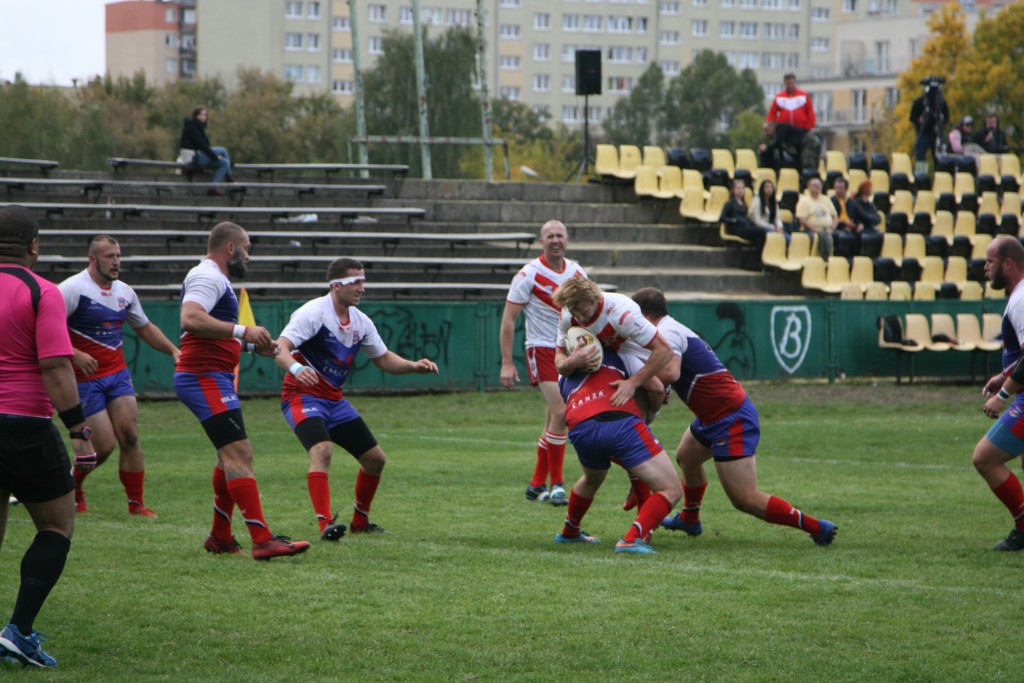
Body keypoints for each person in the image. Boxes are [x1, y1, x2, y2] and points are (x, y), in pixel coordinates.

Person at [625, 287, 837, 547]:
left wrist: (634, 380)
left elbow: (670, 373)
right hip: (712, 415)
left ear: (646, 314)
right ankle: (691, 519)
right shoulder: (669, 329)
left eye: (635, 318)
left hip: (730, 417)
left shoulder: (666, 331)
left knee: (744, 499)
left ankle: (817, 527)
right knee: (686, 457)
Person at [273, 258, 439, 541]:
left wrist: (413, 366)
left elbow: (383, 358)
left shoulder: (361, 322)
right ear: (336, 286)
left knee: (375, 460)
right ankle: (326, 524)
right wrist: (297, 369)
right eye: (356, 282)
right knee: (322, 451)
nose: (362, 288)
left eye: (363, 281)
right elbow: (280, 348)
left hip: (334, 402)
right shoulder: (313, 312)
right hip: (302, 397)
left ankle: (360, 521)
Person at [174, 221, 309, 560]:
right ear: (230, 248)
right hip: (203, 377)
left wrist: (248, 347)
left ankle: (220, 536)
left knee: (228, 455)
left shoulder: (215, 279)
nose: (249, 255)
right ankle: (262, 540)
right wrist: (242, 330)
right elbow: (190, 319)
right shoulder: (209, 276)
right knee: (240, 454)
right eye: (246, 248)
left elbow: (207, 332)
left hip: (212, 375)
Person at [0, 205, 94, 667]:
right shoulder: (42, 292)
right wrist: (79, 431)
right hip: (24, 426)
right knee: (56, 525)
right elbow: (55, 366)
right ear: (33, 246)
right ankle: (18, 630)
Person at [59, 235, 180, 517]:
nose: (116, 262)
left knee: (130, 436)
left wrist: (173, 351)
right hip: (83, 380)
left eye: (118, 256)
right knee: (103, 446)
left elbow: (145, 327)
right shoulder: (71, 290)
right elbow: (44, 329)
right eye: (109, 256)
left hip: (117, 375)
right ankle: (73, 485)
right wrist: (74, 353)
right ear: (92, 259)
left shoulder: (125, 292)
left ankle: (136, 504)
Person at [551, 345, 682, 555]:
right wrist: (650, 416)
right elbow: (656, 388)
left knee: (592, 478)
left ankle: (569, 530)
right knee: (672, 488)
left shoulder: (563, 370)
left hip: (579, 425)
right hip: (617, 420)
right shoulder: (620, 352)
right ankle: (633, 538)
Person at [500, 220, 588, 506]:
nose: (555, 240)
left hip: (569, 349)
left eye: (559, 235)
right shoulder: (529, 274)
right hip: (541, 349)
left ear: (567, 239)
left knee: (553, 417)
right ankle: (557, 484)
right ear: (541, 241)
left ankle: (536, 484)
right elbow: (508, 320)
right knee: (561, 411)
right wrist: (506, 362)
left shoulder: (577, 272)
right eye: (549, 236)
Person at [551, 277, 673, 422]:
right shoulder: (568, 314)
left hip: (628, 348)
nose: (578, 316)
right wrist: (571, 361)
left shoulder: (621, 313)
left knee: (656, 390)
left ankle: (646, 424)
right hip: (605, 350)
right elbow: (559, 357)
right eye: (573, 310)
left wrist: (632, 383)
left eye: (581, 310)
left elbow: (665, 350)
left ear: (593, 299)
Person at [974, 235, 1024, 550]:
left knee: (985, 457)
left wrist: (1002, 395)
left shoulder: (1021, 299)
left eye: (990, 261)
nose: (986, 267)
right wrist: (1003, 375)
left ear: (1007, 263)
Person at [765, 73, 816, 169]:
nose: (790, 85)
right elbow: (773, 112)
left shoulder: (803, 95)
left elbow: (809, 112)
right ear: (785, 83)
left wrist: (809, 126)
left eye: (792, 83)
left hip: (800, 130)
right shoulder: (780, 97)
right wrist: (770, 125)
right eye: (788, 83)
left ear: (795, 82)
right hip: (785, 132)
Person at [179, 106, 232, 195]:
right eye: (202, 114)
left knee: (225, 163)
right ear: (196, 116)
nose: (204, 117)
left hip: (198, 155)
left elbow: (204, 146)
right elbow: (202, 145)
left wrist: (215, 157)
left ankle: (213, 187)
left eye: (205, 115)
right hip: (193, 158)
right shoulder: (193, 126)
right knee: (223, 150)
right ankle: (229, 179)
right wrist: (214, 157)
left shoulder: (199, 127)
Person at [909, 77, 949, 174]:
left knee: (938, 158)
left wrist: (940, 121)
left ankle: (939, 176)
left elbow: (947, 117)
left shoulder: (941, 102)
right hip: (923, 134)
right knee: (921, 158)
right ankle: (920, 178)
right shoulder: (920, 102)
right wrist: (919, 120)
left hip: (936, 134)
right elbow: (912, 117)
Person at [720, 179, 770, 251]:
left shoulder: (744, 204)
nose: (740, 190)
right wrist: (734, 220)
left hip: (745, 227)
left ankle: (758, 258)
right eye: (738, 188)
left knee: (760, 236)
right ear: (733, 190)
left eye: (742, 188)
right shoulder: (729, 203)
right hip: (737, 228)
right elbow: (722, 218)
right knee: (760, 232)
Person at [795, 177, 838, 259]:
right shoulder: (804, 200)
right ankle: (825, 258)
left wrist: (832, 228)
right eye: (815, 185)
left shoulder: (826, 199)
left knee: (840, 237)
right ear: (809, 187)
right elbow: (802, 219)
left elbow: (835, 216)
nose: (818, 187)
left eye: (819, 185)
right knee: (821, 236)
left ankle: (834, 261)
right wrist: (815, 230)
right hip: (810, 230)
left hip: (828, 229)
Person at [846, 180, 883, 258]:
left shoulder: (870, 204)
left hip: (868, 226)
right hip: (859, 227)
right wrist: (870, 219)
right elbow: (864, 216)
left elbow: (878, 218)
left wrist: (870, 219)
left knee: (879, 235)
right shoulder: (856, 202)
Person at [829, 177, 861, 259]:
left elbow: (859, 215)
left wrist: (860, 224)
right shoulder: (830, 201)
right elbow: (829, 219)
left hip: (851, 227)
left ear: (846, 189)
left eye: (841, 188)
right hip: (838, 227)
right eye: (837, 188)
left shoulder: (852, 202)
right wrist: (843, 223)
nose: (838, 190)